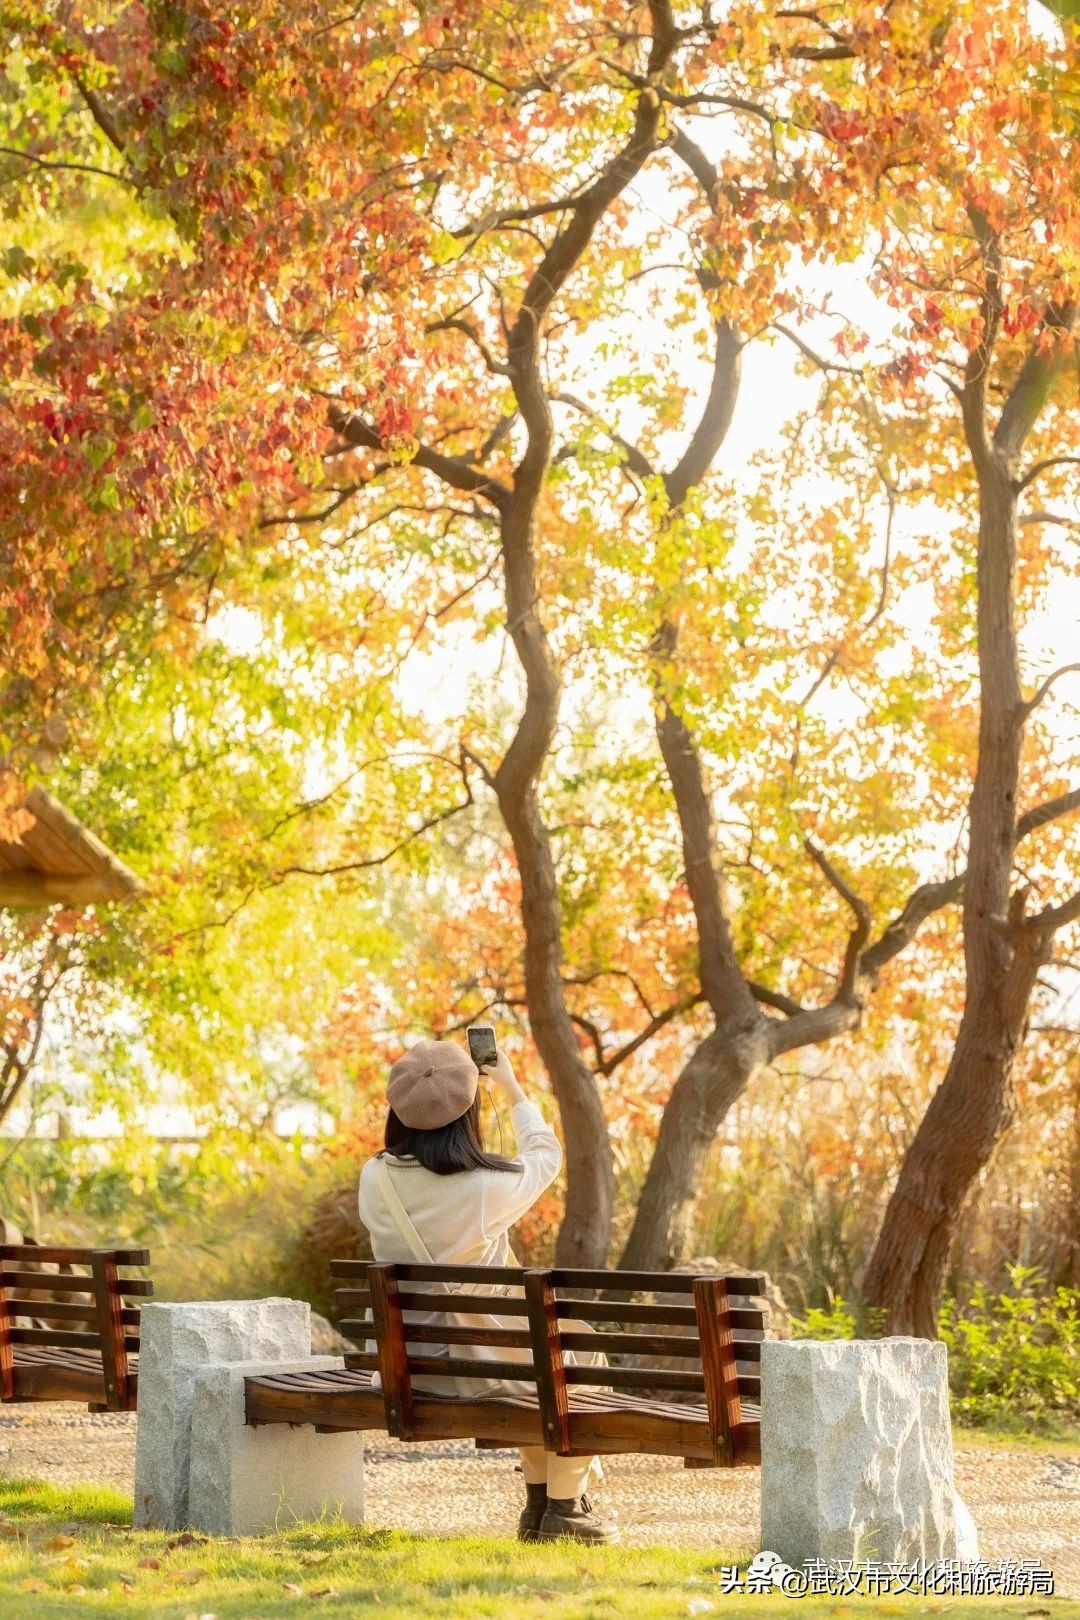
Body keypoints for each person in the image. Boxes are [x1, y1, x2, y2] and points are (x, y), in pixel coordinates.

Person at [358, 1036, 615, 1544]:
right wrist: (512, 1086)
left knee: (533, 1358)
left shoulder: (374, 1177)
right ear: (468, 1111)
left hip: (411, 1365)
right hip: (474, 1371)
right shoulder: (483, 1187)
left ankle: (540, 1503)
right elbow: (545, 1155)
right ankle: (566, 1508)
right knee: (575, 1356)